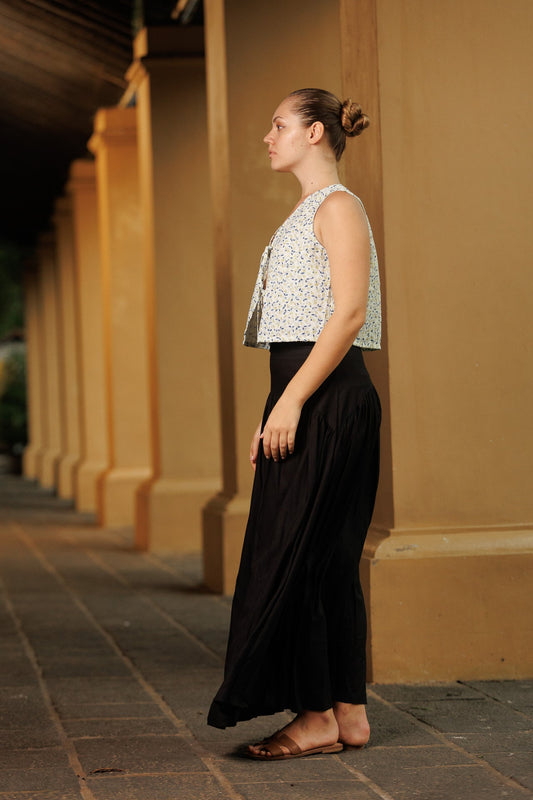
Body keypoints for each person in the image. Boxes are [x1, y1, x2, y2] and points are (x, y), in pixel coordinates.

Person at [207, 88, 382, 761]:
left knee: (299, 558)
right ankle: (347, 713)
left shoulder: (338, 207)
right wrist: (282, 403)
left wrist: (290, 403)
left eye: (278, 124)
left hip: (322, 399)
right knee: (328, 561)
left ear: (314, 133)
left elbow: (348, 313)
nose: (267, 136)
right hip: (310, 397)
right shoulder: (313, 210)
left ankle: (314, 718)